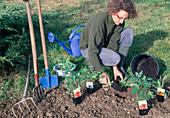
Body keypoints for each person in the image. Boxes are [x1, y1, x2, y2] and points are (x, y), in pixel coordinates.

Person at [79, 0, 137, 85]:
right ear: (113, 11)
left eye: (125, 18)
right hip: (88, 49)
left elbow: (113, 43)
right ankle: (92, 63)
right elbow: (92, 50)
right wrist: (101, 72)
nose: (122, 21)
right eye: (120, 17)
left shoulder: (119, 23)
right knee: (115, 58)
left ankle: (120, 67)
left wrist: (115, 67)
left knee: (128, 33)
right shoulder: (99, 22)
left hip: (103, 44)